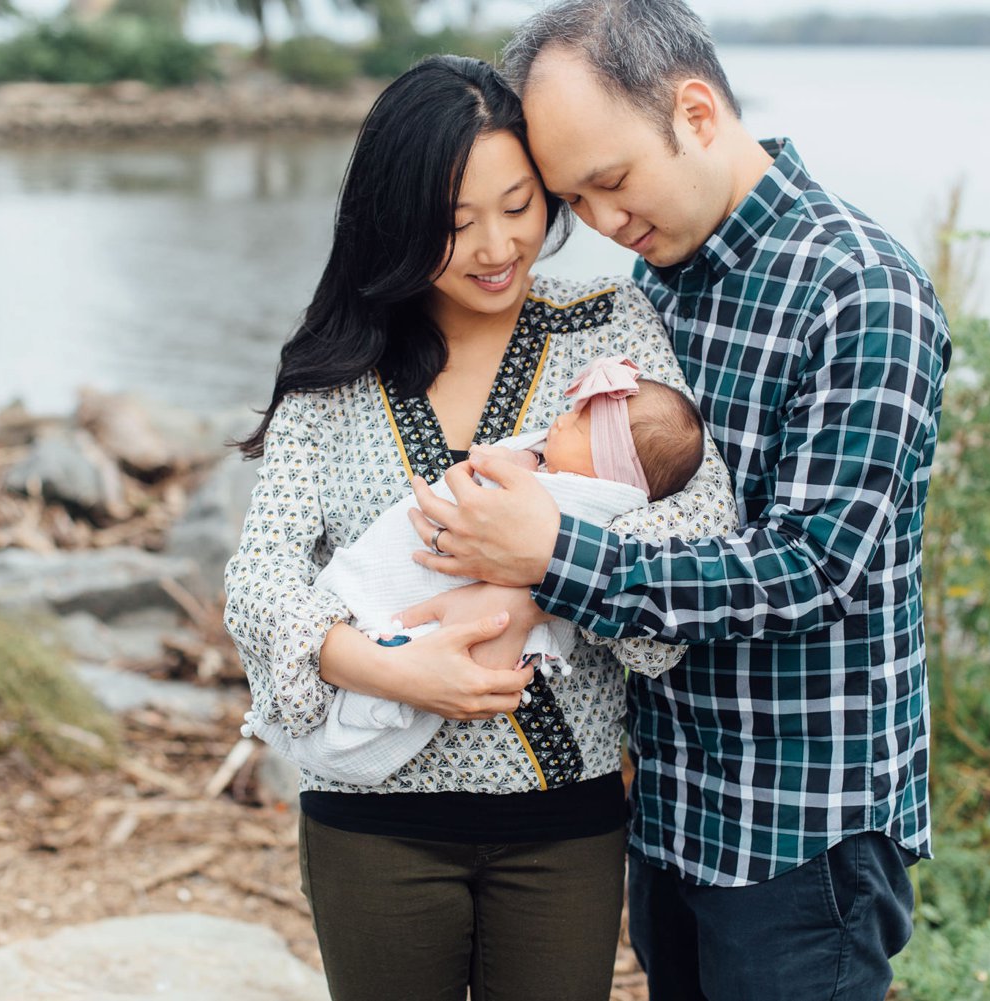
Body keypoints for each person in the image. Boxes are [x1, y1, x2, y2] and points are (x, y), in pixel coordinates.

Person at [401, 3, 954, 999]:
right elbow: (628, 512)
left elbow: (814, 566)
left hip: (800, 831)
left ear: (696, 112)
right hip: (673, 811)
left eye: (611, 181)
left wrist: (555, 555)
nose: (605, 222)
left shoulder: (860, 291)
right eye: (576, 198)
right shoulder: (660, 287)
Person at [222, 54, 736, 1001]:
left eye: (518, 204)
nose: (499, 245)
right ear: (396, 220)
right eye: (455, 225)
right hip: (373, 827)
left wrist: (546, 553)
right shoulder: (337, 374)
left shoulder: (609, 332)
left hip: (565, 824)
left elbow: (696, 550)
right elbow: (258, 585)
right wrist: (387, 668)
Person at [245, 357, 708, 787]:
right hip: (364, 822)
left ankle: (366, 715)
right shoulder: (328, 378)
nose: (561, 420)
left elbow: (671, 602)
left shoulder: (594, 498)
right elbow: (258, 580)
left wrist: (532, 592)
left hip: (559, 805)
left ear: (606, 470)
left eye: (580, 425)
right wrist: (385, 671)